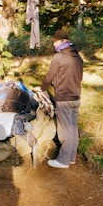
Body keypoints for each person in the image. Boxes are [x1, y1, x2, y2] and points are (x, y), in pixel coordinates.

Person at [37, 30, 83, 169]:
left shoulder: (59, 57)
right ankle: (71, 157)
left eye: (55, 42)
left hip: (64, 98)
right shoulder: (78, 57)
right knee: (73, 128)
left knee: (64, 131)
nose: (54, 44)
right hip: (76, 97)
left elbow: (50, 76)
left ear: (62, 41)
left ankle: (63, 161)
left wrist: (42, 88)